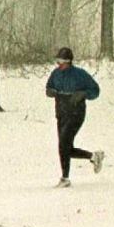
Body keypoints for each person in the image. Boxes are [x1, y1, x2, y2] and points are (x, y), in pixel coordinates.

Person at [45, 47, 104, 188]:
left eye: (61, 62)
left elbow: (95, 91)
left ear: (68, 61)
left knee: (63, 144)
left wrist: (83, 94)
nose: (58, 65)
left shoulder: (80, 74)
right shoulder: (55, 74)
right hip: (61, 114)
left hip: (76, 114)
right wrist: (51, 91)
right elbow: (48, 87)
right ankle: (94, 156)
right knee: (65, 148)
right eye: (57, 61)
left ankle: (65, 178)